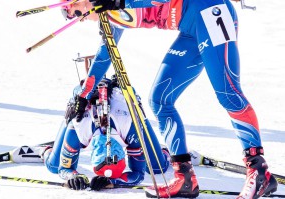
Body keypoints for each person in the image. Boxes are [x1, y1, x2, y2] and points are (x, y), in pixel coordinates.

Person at [60, 0, 278, 198]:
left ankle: (259, 173)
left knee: (228, 93)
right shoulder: (109, 14)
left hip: (210, 11)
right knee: (160, 99)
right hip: (189, 30)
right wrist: (83, 96)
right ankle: (184, 177)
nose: (77, 18)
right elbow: (104, 54)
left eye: (74, 11)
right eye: (71, 16)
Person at [42, 75, 170, 190]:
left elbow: (65, 169)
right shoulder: (78, 129)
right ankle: (46, 150)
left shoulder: (81, 132)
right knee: (54, 165)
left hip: (125, 114)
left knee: (157, 168)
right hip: (85, 110)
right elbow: (137, 174)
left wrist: (73, 176)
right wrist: (74, 176)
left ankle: (161, 151)